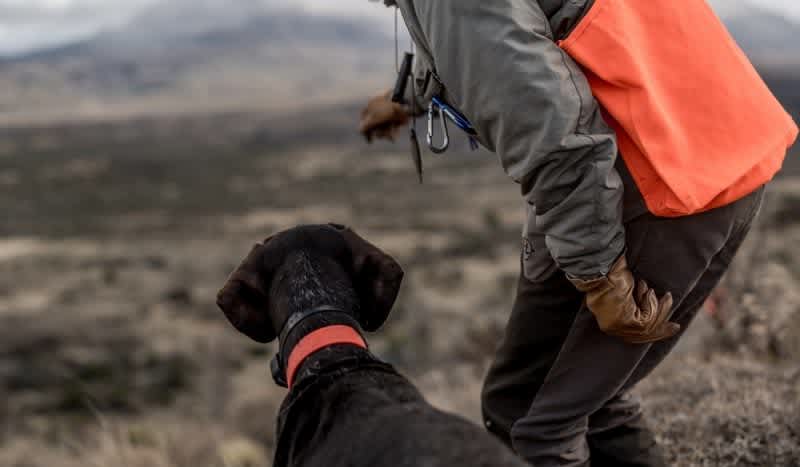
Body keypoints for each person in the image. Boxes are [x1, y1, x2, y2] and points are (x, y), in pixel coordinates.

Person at [359, 1, 798, 466]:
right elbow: (520, 29)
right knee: (588, 399)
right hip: (721, 152)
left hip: (655, 178)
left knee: (528, 417)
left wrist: (599, 274)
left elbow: (548, 125)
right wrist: (413, 94)